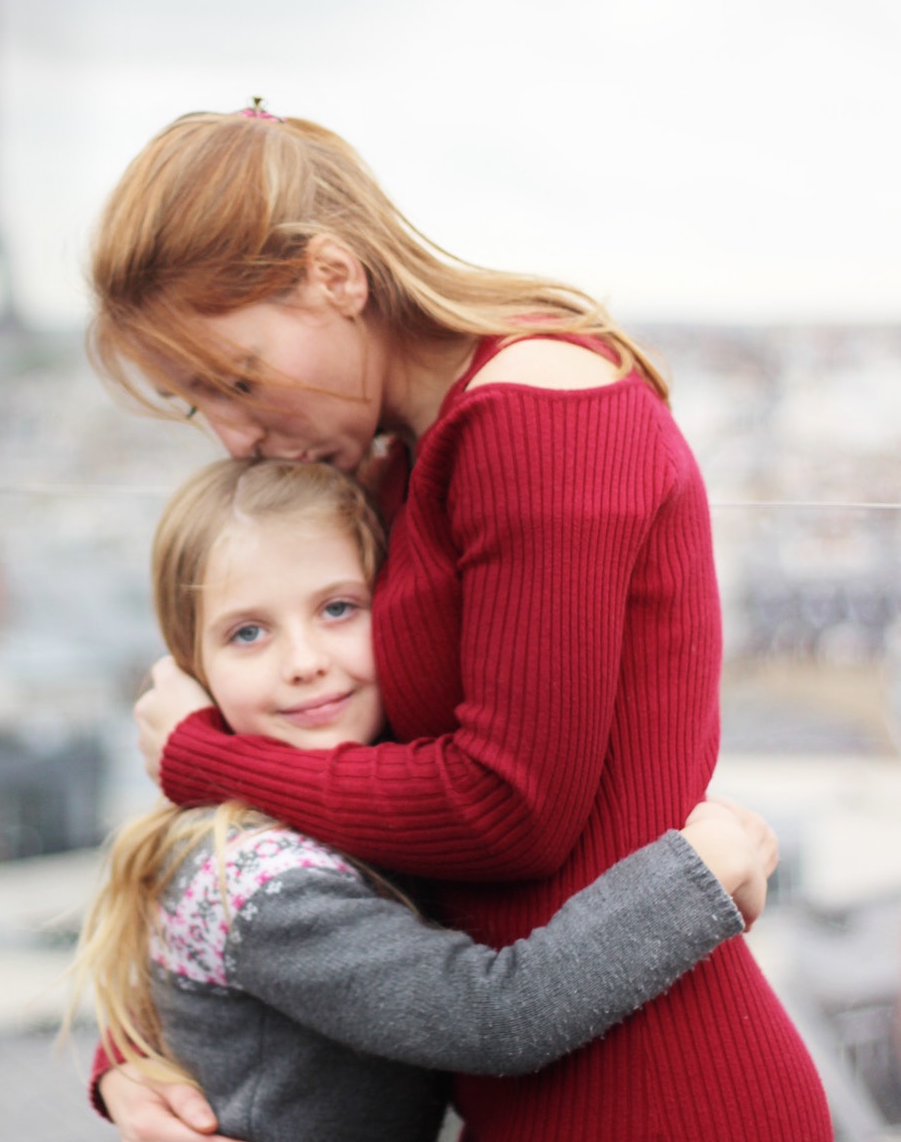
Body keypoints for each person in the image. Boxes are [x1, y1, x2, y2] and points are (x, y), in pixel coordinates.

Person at [86, 105, 833, 1142]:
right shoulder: (400, 463)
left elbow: (506, 808)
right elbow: (345, 812)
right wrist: (149, 1052)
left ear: (334, 277)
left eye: (239, 379)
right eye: (195, 402)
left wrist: (202, 757)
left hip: (662, 1093)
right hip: (522, 1085)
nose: (234, 435)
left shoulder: (537, 415)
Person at [68, 456, 771, 1142]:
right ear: (193, 667)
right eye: (247, 633)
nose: (304, 661)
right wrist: (695, 874)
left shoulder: (358, 796)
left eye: (338, 608)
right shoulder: (259, 880)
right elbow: (493, 1019)